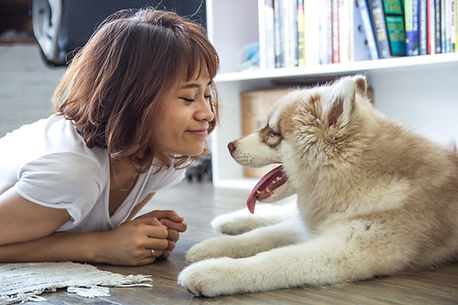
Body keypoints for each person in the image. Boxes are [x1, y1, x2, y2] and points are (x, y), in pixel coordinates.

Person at [0, 8, 219, 266]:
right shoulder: (72, 171)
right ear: (131, 100)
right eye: (187, 98)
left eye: (207, 94)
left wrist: (137, 235)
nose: (207, 113)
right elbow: (96, 240)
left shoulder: (162, 160)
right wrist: (99, 247)